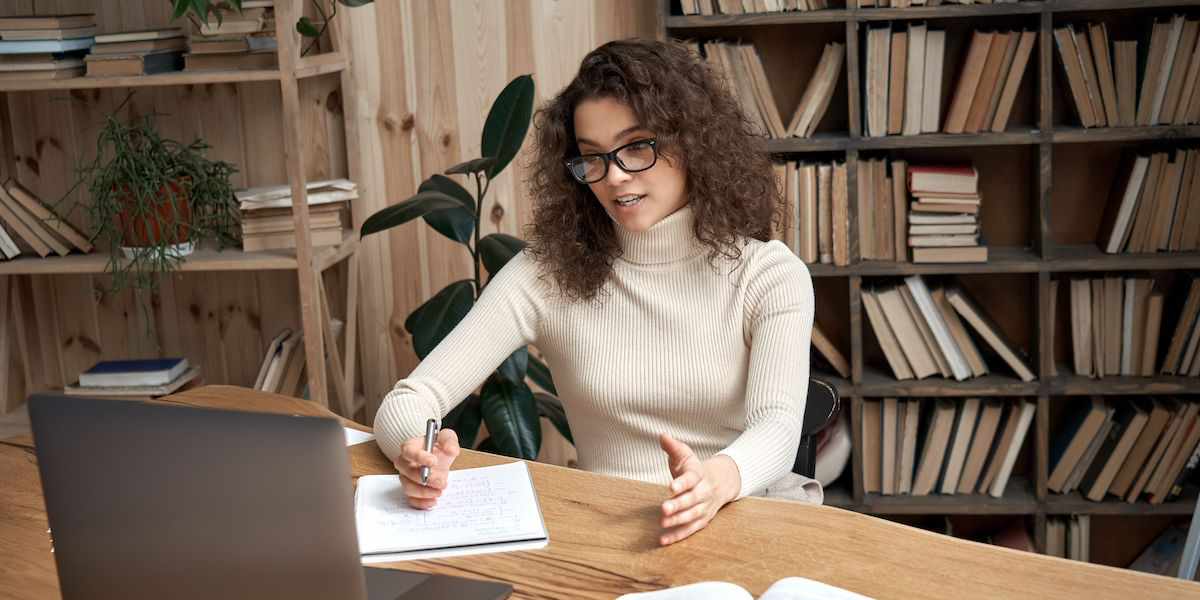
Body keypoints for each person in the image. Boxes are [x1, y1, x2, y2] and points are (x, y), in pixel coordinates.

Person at [374, 37, 818, 547]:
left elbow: (778, 428)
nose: (615, 177)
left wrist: (714, 482)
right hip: (607, 534)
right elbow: (410, 399)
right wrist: (415, 451)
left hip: (742, 518)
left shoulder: (767, 274)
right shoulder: (544, 274)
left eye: (637, 147)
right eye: (593, 158)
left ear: (693, 141)